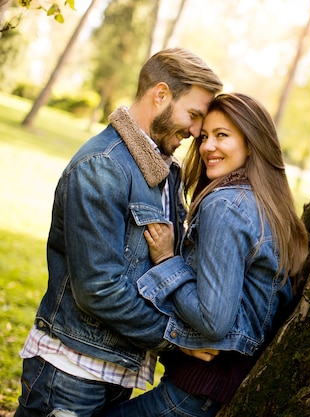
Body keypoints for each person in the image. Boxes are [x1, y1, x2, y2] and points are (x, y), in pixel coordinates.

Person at [15, 48, 223, 417]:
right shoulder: (103, 167)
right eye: (193, 116)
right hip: (70, 375)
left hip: (117, 372)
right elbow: (99, 288)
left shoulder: (162, 170)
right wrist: (175, 339)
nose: (195, 132)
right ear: (160, 94)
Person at [104, 92, 309, 417]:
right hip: (222, 386)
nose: (207, 147)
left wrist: (168, 261)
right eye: (204, 137)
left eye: (222, 136)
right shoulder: (266, 203)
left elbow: (213, 321)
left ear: (251, 142)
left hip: (198, 390)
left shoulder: (224, 207)